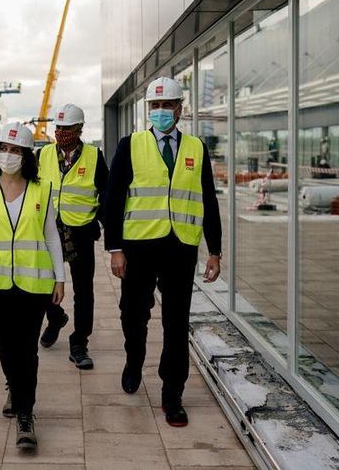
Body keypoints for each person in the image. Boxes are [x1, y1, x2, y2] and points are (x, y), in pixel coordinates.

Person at [104, 77, 222, 428]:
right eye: (153, 107)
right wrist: (115, 248)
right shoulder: (131, 145)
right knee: (133, 314)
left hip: (180, 248)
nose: (159, 112)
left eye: (166, 106)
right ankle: (133, 359)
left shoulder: (196, 149)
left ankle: (172, 393)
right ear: (147, 111)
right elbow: (113, 199)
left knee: (176, 321)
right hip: (139, 246)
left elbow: (209, 202)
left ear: (179, 109)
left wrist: (214, 250)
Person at [0, 122, 65, 450]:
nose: (9, 155)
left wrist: (59, 277)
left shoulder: (42, 189)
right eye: (4, 149)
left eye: (16, 150)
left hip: (33, 283)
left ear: (27, 155)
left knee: (27, 349)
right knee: (5, 345)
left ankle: (25, 413)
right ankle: (14, 387)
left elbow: (51, 234)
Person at [37, 104, 108, 370]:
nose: (61, 133)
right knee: (43, 284)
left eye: (67, 129)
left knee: (83, 290)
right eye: (58, 128)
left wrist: (97, 221)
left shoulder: (93, 156)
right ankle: (55, 317)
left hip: (79, 232)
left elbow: (107, 193)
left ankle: (79, 342)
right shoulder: (41, 155)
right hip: (48, 230)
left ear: (79, 129)